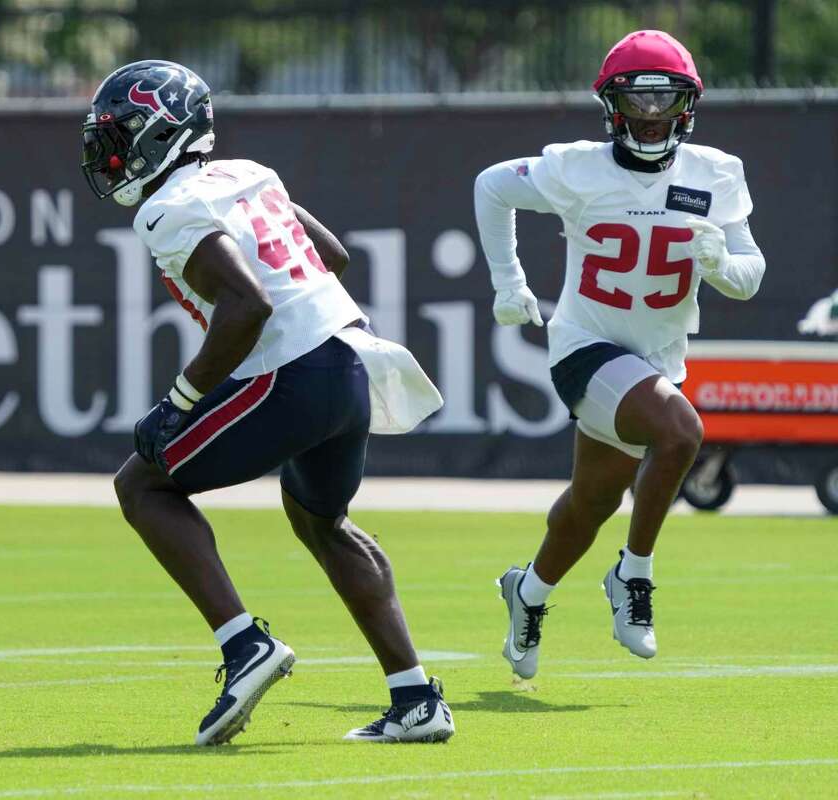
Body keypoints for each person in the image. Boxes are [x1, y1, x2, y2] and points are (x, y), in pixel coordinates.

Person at [83, 60, 452, 744]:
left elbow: (246, 304)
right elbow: (333, 256)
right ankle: (416, 698)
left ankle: (243, 646)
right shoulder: (250, 174)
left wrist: (180, 401)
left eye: (123, 133)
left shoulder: (168, 208)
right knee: (323, 522)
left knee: (142, 484)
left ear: (166, 133)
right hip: (351, 361)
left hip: (297, 371)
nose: (110, 151)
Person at [472, 31, 765, 679]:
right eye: (639, 99)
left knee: (591, 503)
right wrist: (508, 283)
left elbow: (749, 276)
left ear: (689, 106)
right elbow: (492, 186)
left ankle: (529, 592)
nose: (653, 114)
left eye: (667, 100)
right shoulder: (577, 167)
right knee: (682, 431)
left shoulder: (715, 173)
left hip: (655, 362)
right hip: (585, 348)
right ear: (612, 104)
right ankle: (633, 578)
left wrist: (721, 261)